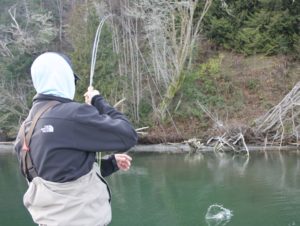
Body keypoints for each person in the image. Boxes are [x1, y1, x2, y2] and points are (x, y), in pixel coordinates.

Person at [14, 52, 138, 226]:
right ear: (63, 77)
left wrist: (110, 164)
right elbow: (128, 135)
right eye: (73, 80)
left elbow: (61, 175)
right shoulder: (72, 114)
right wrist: (97, 100)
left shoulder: (24, 131)